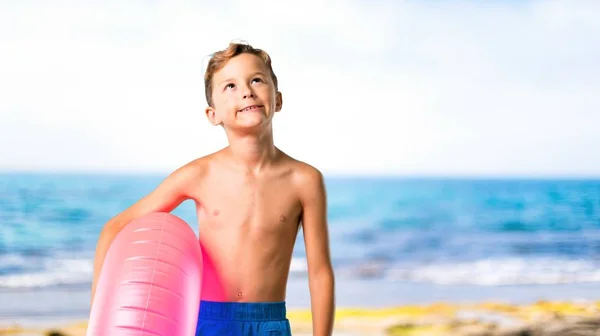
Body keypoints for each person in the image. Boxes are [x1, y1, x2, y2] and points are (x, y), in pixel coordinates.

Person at [90, 41, 336, 336]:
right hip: (208, 322)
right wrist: (100, 315)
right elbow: (113, 229)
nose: (246, 90)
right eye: (230, 86)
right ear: (213, 114)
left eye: (257, 79)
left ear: (278, 99)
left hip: (269, 323)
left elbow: (319, 273)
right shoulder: (199, 174)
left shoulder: (305, 179)